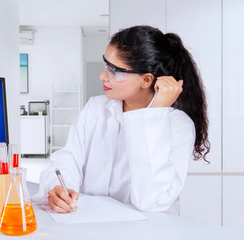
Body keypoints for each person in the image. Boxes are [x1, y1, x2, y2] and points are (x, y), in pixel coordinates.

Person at [34, 25, 210, 215]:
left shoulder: (178, 126)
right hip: (92, 224)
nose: (102, 76)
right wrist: (59, 187)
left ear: (146, 80)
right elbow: (68, 158)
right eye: (105, 65)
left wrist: (155, 115)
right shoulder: (96, 108)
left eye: (113, 70)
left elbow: (150, 201)